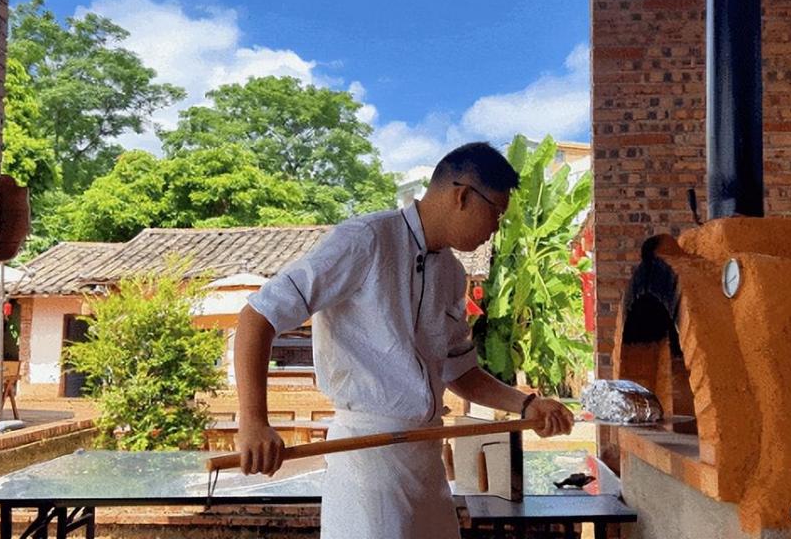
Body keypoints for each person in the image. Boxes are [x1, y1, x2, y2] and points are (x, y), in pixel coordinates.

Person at [232, 142, 575, 539]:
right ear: (462, 195)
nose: (496, 227)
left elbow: (459, 371)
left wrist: (528, 404)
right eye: (495, 213)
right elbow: (258, 317)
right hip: (366, 458)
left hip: (426, 462)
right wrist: (254, 420)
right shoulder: (366, 240)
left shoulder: (452, 274)